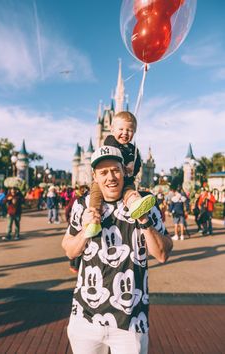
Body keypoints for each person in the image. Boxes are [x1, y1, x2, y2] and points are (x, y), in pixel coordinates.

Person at [62, 146, 172, 354]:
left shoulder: (144, 203)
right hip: (85, 318)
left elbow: (163, 254)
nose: (110, 177)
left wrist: (144, 220)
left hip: (131, 321)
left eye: (115, 170)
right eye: (103, 172)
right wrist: (85, 231)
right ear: (94, 176)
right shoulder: (82, 204)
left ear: (124, 171)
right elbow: (69, 250)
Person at [85, 111, 156, 238]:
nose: (125, 133)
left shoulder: (133, 150)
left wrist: (133, 168)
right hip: (105, 182)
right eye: (121, 129)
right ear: (112, 129)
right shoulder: (110, 141)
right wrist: (124, 166)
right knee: (96, 194)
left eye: (129, 130)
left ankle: (135, 205)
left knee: (130, 191)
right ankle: (93, 220)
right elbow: (112, 156)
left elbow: (137, 164)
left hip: (126, 180)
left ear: (134, 132)